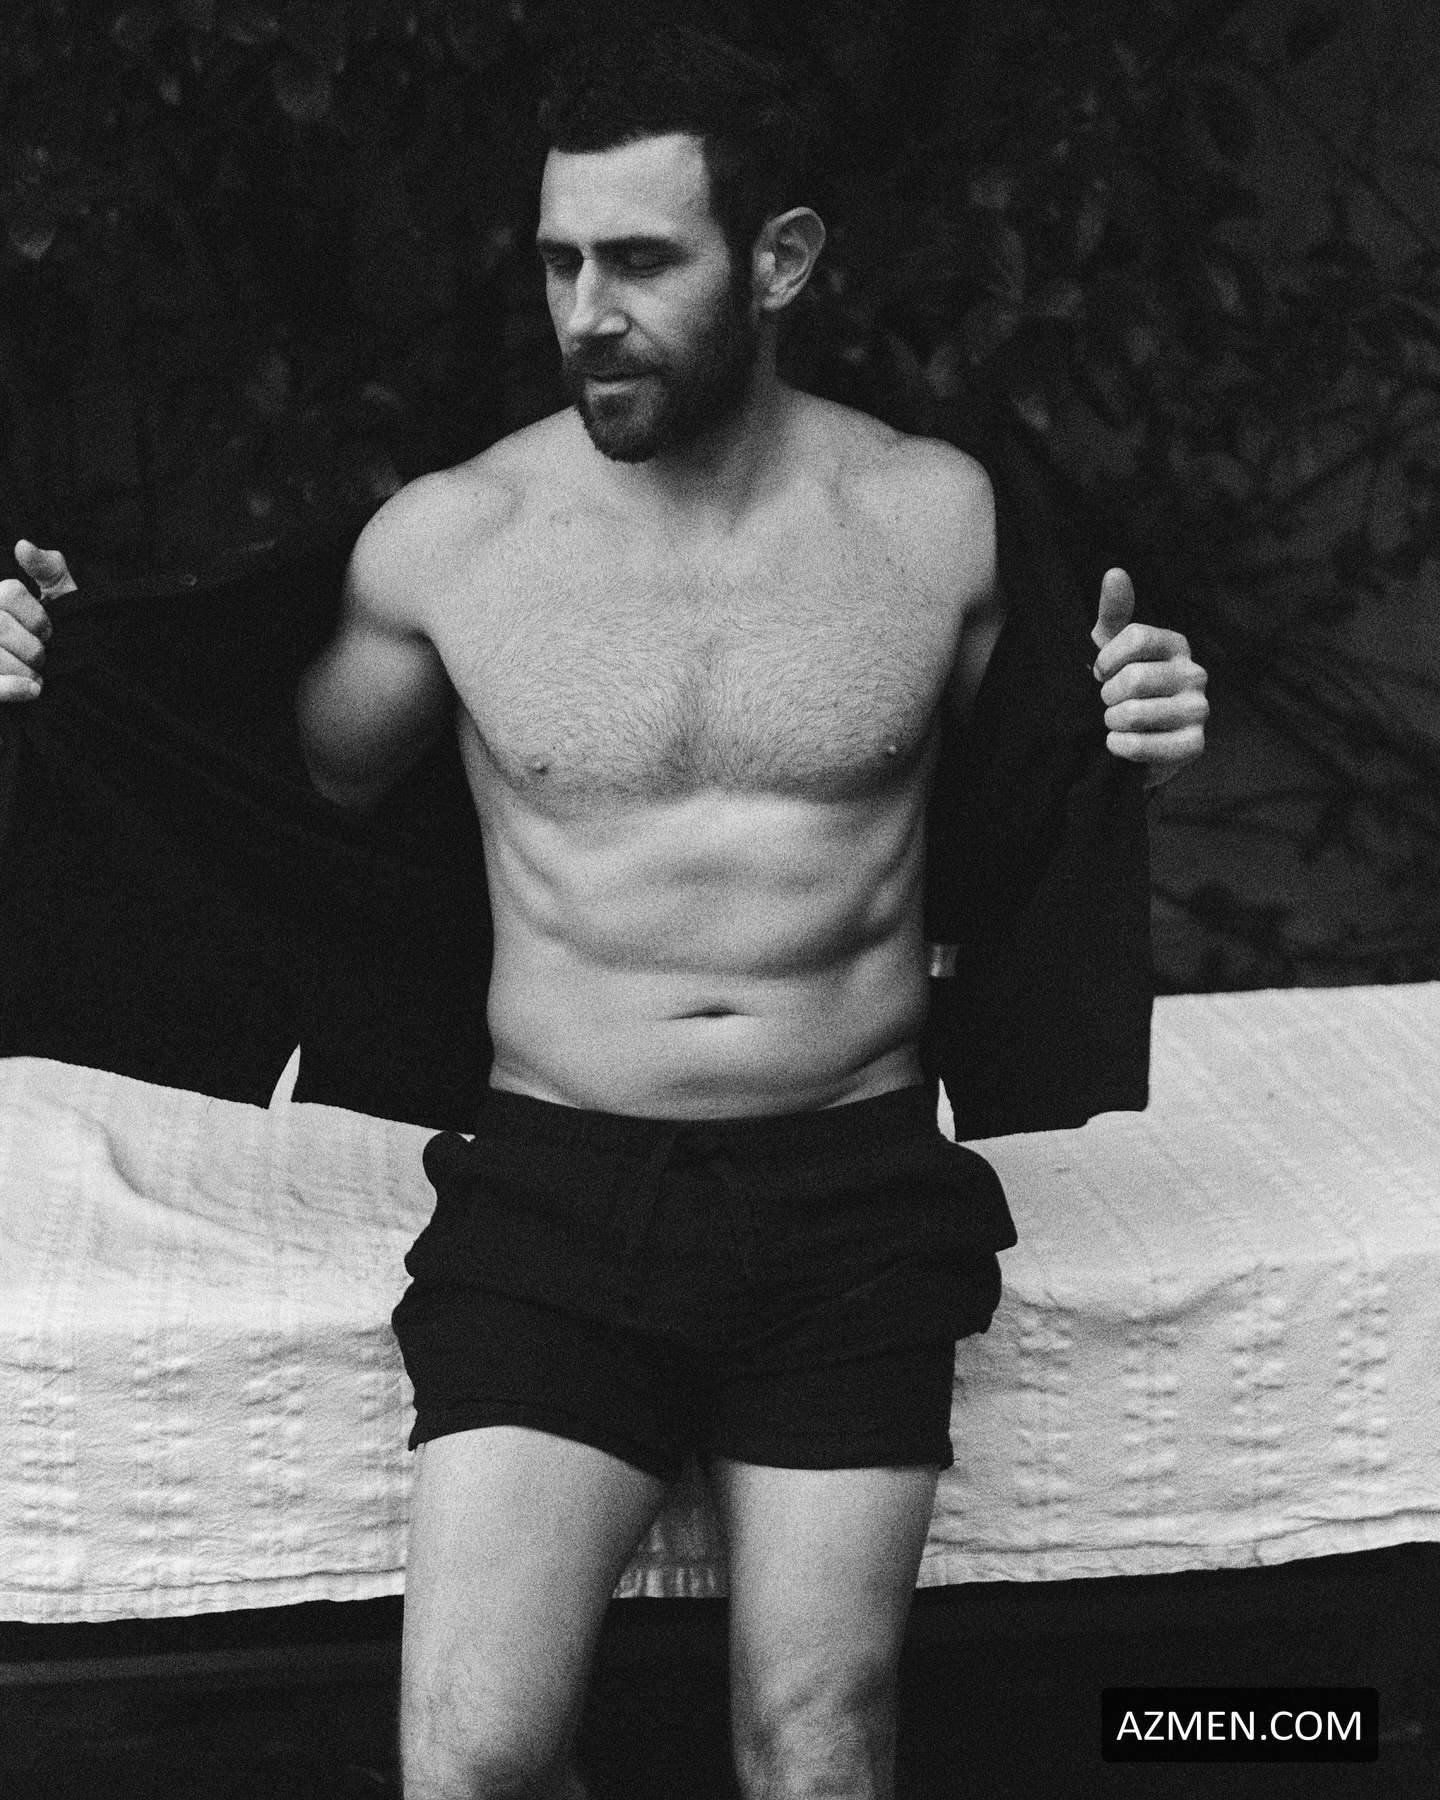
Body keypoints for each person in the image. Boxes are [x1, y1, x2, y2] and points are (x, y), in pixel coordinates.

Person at [1, 27, 1208, 1800]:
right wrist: (61, 670)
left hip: (853, 1195)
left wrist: (1138, 737)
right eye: (561, 262)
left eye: (640, 261)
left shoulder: (933, 520)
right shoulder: (456, 540)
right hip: (555, 1197)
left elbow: (1032, 804)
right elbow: (278, 779)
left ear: (777, 262)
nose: (588, 313)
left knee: (818, 1748)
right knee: (473, 1759)